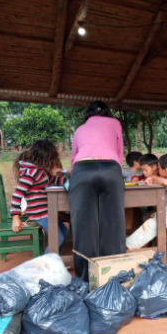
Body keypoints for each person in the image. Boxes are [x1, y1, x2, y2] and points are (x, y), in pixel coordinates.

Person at [69, 101, 126, 281]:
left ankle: (86, 278)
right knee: (113, 223)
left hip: (82, 170)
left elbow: (73, 160)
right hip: (110, 168)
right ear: (107, 113)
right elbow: (119, 153)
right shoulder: (115, 123)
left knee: (84, 225)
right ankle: (114, 276)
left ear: (87, 115)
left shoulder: (79, 129)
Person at [11, 140, 68, 254]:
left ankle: (52, 262)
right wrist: (15, 218)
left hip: (47, 212)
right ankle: (44, 266)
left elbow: (53, 180)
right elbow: (17, 195)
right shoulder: (30, 172)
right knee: (59, 238)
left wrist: (68, 178)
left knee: (64, 233)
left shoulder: (40, 170)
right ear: (43, 158)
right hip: (40, 214)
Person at [126, 154, 167, 250]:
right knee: (147, 217)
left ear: (165, 170)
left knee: (152, 224)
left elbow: (165, 183)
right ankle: (158, 238)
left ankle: (129, 245)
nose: (158, 170)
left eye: (159, 168)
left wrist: (153, 177)